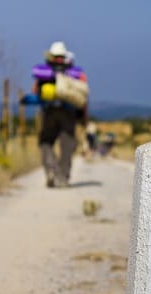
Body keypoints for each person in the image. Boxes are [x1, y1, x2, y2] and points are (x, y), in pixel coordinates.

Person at [31, 41, 88, 187]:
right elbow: (83, 96)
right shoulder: (75, 73)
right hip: (68, 114)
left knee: (45, 142)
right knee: (67, 146)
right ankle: (62, 177)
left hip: (49, 112)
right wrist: (84, 117)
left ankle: (51, 169)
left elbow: (34, 90)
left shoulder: (44, 73)